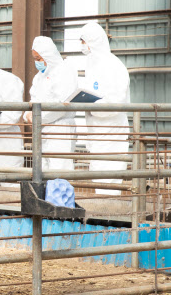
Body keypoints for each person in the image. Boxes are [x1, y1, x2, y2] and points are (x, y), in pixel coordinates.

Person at [80, 21, 131, 195]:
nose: (82, 46)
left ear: (93, 41)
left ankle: (110, 218)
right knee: (98, 178)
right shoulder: (92, 66)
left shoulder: (113, 66)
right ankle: (102, 218)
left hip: (112, 133)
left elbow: (116, 102)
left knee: (110, 180)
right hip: (97, 133)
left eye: (83, 41)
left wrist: (92, 105)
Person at [23, 36, 78, 171]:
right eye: (35, 59)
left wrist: (37, 117)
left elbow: (63, 104)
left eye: (39, 59)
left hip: (60, 129)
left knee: (59, 171)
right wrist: (28, 115)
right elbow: (32, 100)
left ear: (48, 55)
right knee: (41, 170)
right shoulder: (39, 77)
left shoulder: (64, 71)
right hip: (41, 130)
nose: (37, 63)